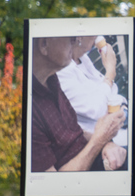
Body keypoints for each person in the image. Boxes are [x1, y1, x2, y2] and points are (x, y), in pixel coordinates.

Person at [31, 36, 127, 172]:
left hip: (95, 153)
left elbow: (76, 131)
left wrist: (106, 144)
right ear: (44, 44)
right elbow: (54, 185)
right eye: (70, 38)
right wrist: (99, 141)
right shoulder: (31, 111)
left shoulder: (52, 80)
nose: (76, 42)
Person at [57, 36, 128, 147]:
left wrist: (122, 106)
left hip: (114, 130)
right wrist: (110, 72)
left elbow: (113, 93)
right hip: (91, 143)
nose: (96, 40)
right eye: (93, 36)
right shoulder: (61, 70)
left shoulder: (82, 59)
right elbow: (95, 109)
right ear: (79, 38)